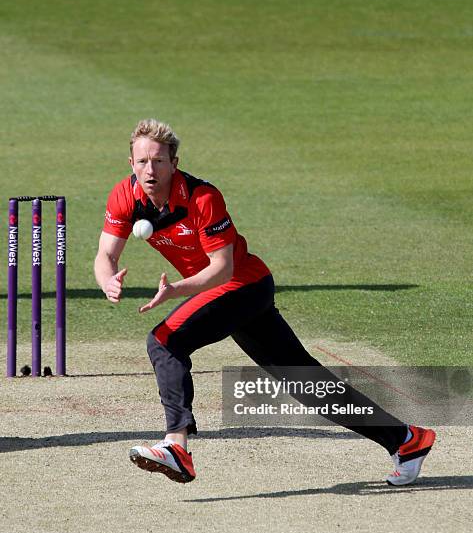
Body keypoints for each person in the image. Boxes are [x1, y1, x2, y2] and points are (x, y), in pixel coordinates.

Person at [94, 119, 436, 487]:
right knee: (306, 381)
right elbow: (104, 254)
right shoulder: (124, 196)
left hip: (244, 284)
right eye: (143, 161)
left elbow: (223, 270)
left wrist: (176, 290)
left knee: (164, 341)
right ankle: (405, 440)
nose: (150, 169)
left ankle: (177, 445)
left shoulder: (202, 197)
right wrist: (108, 280)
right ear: (131, 162)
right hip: (226, 292)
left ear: (174, 163)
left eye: (159, 161)